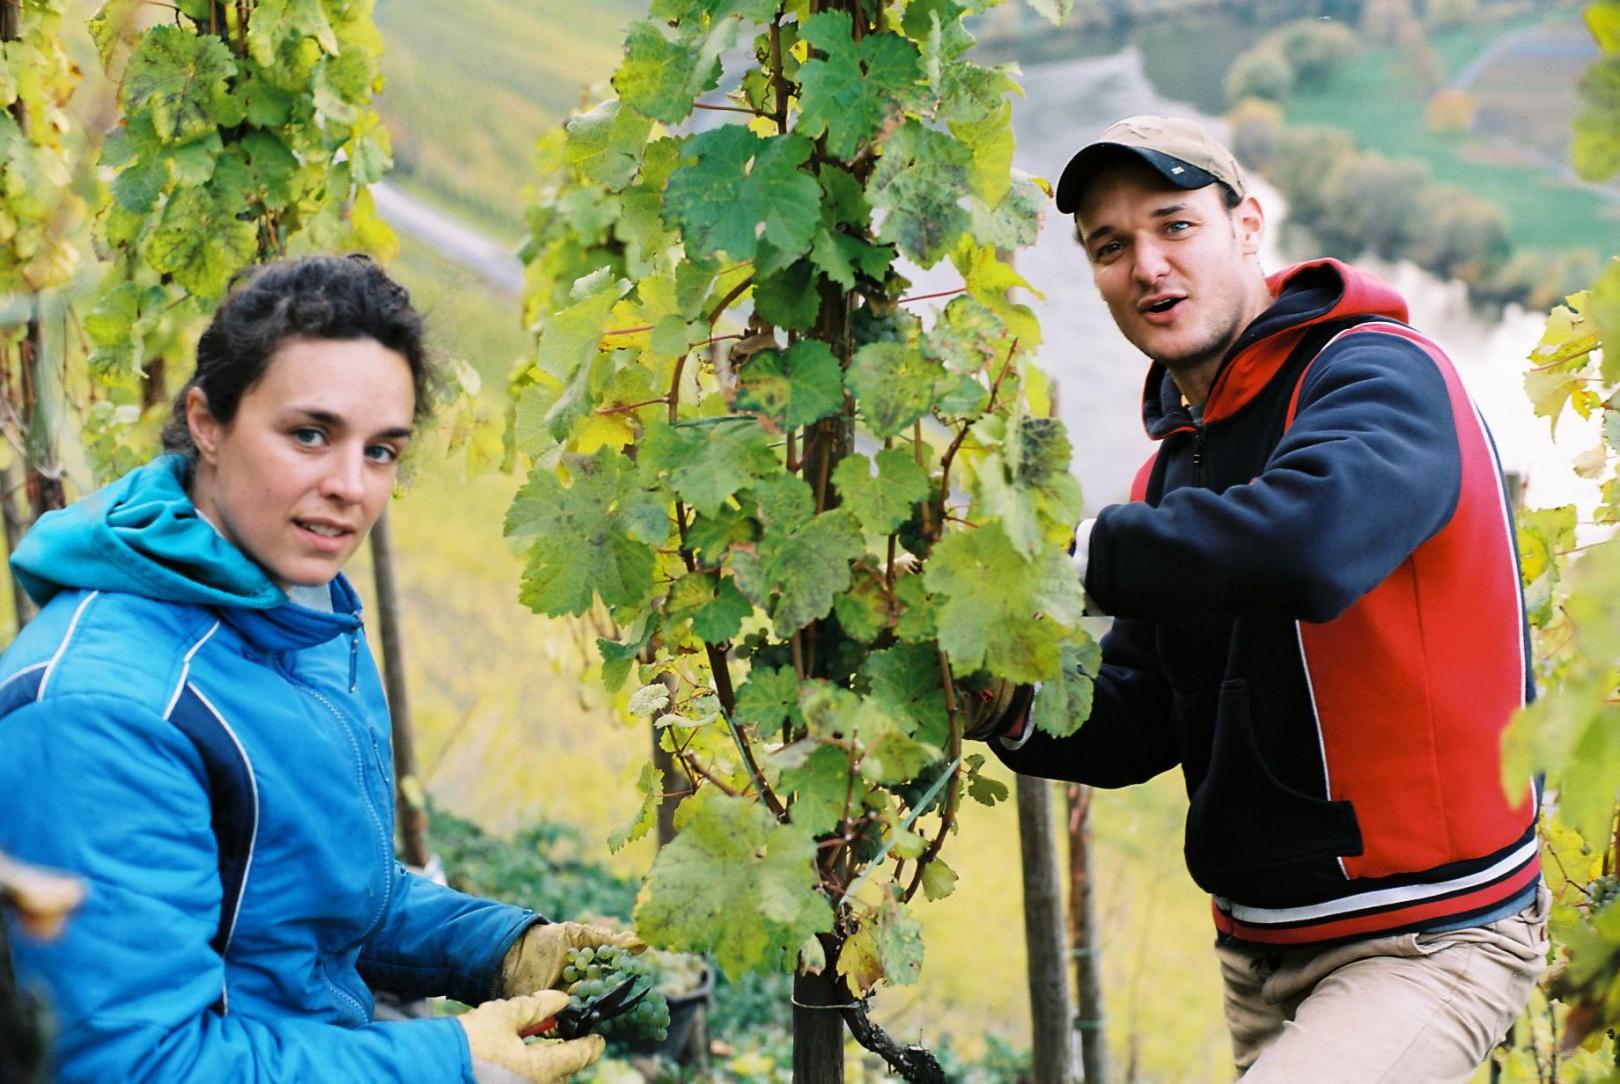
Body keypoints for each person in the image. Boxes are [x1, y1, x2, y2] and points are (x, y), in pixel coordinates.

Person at [972, 116, 1549, 1081]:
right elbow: (1136, 716)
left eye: (1175, 226)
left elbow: (1307, 544)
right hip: (1259, 955)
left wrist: (1057, 555)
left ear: (1247, 226)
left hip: (1429, 942)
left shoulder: (1381, 376)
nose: (1147, 265)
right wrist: (1000, 699)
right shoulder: (1166, 481)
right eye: (1111, 247)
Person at [0, 254, 636, 1083]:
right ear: (205, 421)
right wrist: (449, 1061)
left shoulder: (296, 610)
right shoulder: (105, 711)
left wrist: (498, 949)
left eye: (381, 451)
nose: (349, 487)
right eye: (310, 434)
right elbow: (132, 1063)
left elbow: (310, 886)